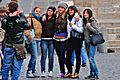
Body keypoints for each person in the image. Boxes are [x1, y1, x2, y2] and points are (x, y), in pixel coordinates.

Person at [1, 2, 30, 80]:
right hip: (19, 45)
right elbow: (28, 26)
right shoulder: (21, 20)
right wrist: (22, 14)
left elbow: (4, 27)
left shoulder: (4, 20)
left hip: (9, 44)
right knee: (17, 66)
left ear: (8, 9)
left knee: (6, 66)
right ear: (17, 9)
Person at [64, 6, 84, 79]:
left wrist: (73, 26)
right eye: (69, 10)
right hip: (69, 39)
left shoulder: (78, 18)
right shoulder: (67, 18)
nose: (70, 11)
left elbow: (81, 30)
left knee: (78, 56)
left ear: (75, 11)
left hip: (77, 39)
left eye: (72, 10)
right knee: (68, 57)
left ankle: (76, 72)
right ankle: (69, 71)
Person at [25, 6, 42, 78]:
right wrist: (29, 37)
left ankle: (33, 71)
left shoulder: (39, 19)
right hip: (33, 39)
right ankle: (29, 71)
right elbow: (26, 29)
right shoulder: (30, 18)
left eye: (39, 11)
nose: (38, 12)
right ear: (33, 11)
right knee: (34, 56)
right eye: (36, 11)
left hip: (38, 39)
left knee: (35, 56)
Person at [83, 8, 99, 79]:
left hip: (92, 42)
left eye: (86, 13)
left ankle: (96, 74)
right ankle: (91, 74)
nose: (85, 14)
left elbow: (97, 31)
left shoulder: (93, 21)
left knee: (91, 59)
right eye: (84, 13)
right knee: (89, 59)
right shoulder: (85, 21)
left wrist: (89, 27)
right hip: (87, 42)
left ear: (89, 14)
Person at [40, 6, 56, 77]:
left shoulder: (54, 18)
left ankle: (50, 70)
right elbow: (34, 15)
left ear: (53, 12)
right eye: (48, 10)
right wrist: (43, 15)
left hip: (51, 40)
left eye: (51, 11)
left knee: (51, 56)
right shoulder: (43, 18)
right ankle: (42, 71)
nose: (49, 12)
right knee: (43, 56)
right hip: (44, 39)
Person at [54, 2, 68, 78]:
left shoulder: (67, 16)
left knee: (62, 56)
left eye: (62, 8)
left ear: (65, 9)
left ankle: (69, 67)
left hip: (64, 39)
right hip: (56, 38)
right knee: (59, 56)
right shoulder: (56, 15)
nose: (60, 9)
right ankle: (62, 71)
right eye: (59, 7)